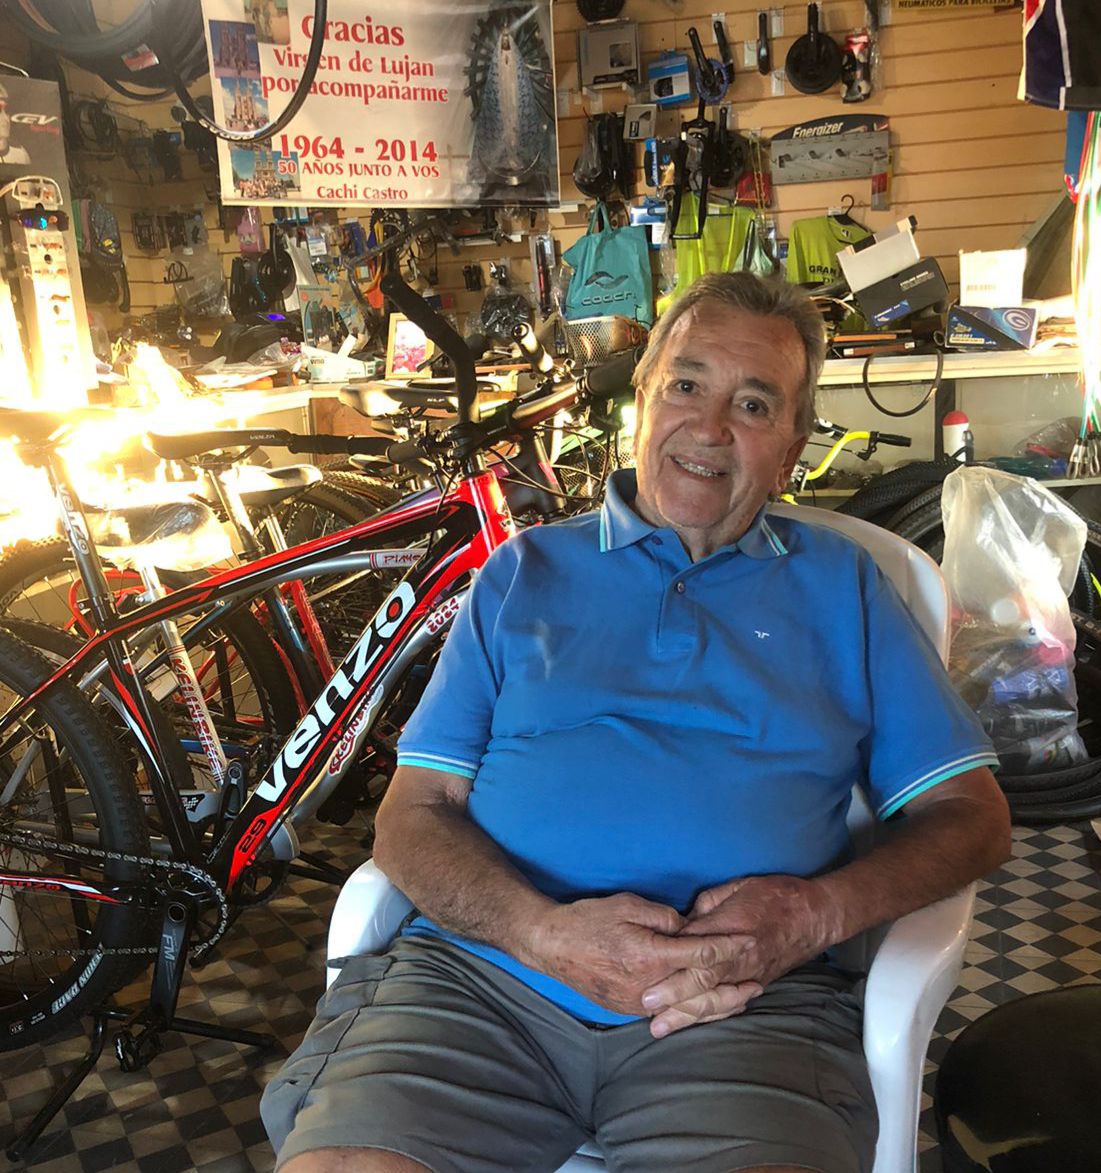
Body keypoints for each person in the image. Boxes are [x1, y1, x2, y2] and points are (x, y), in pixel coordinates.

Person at [262, 272, 1011, 1173]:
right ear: (642, 398)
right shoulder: (522, 574)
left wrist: (813, 915)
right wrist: (541, 934)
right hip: (478, 985)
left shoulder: (845, 586)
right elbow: (410, 816)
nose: (710, 426)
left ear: (791, 447)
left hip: (744, 1006)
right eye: (687, 384)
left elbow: (972, 816)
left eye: (754, 404)